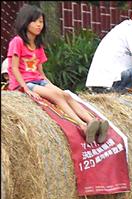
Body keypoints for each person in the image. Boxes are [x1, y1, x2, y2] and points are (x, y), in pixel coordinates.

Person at [7, 4, 108, 144]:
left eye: (41, 22)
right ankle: (82, 125)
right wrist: (25, 88)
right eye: (35, 21)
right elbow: (14, 68)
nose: (39, 25)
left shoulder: (38, 45)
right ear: (25, 21)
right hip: (23, 83)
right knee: (56, 96)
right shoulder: (17, 42)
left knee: (65, 94)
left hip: (38, 81)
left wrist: (52, 85)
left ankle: (93, 122)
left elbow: (40, 73)